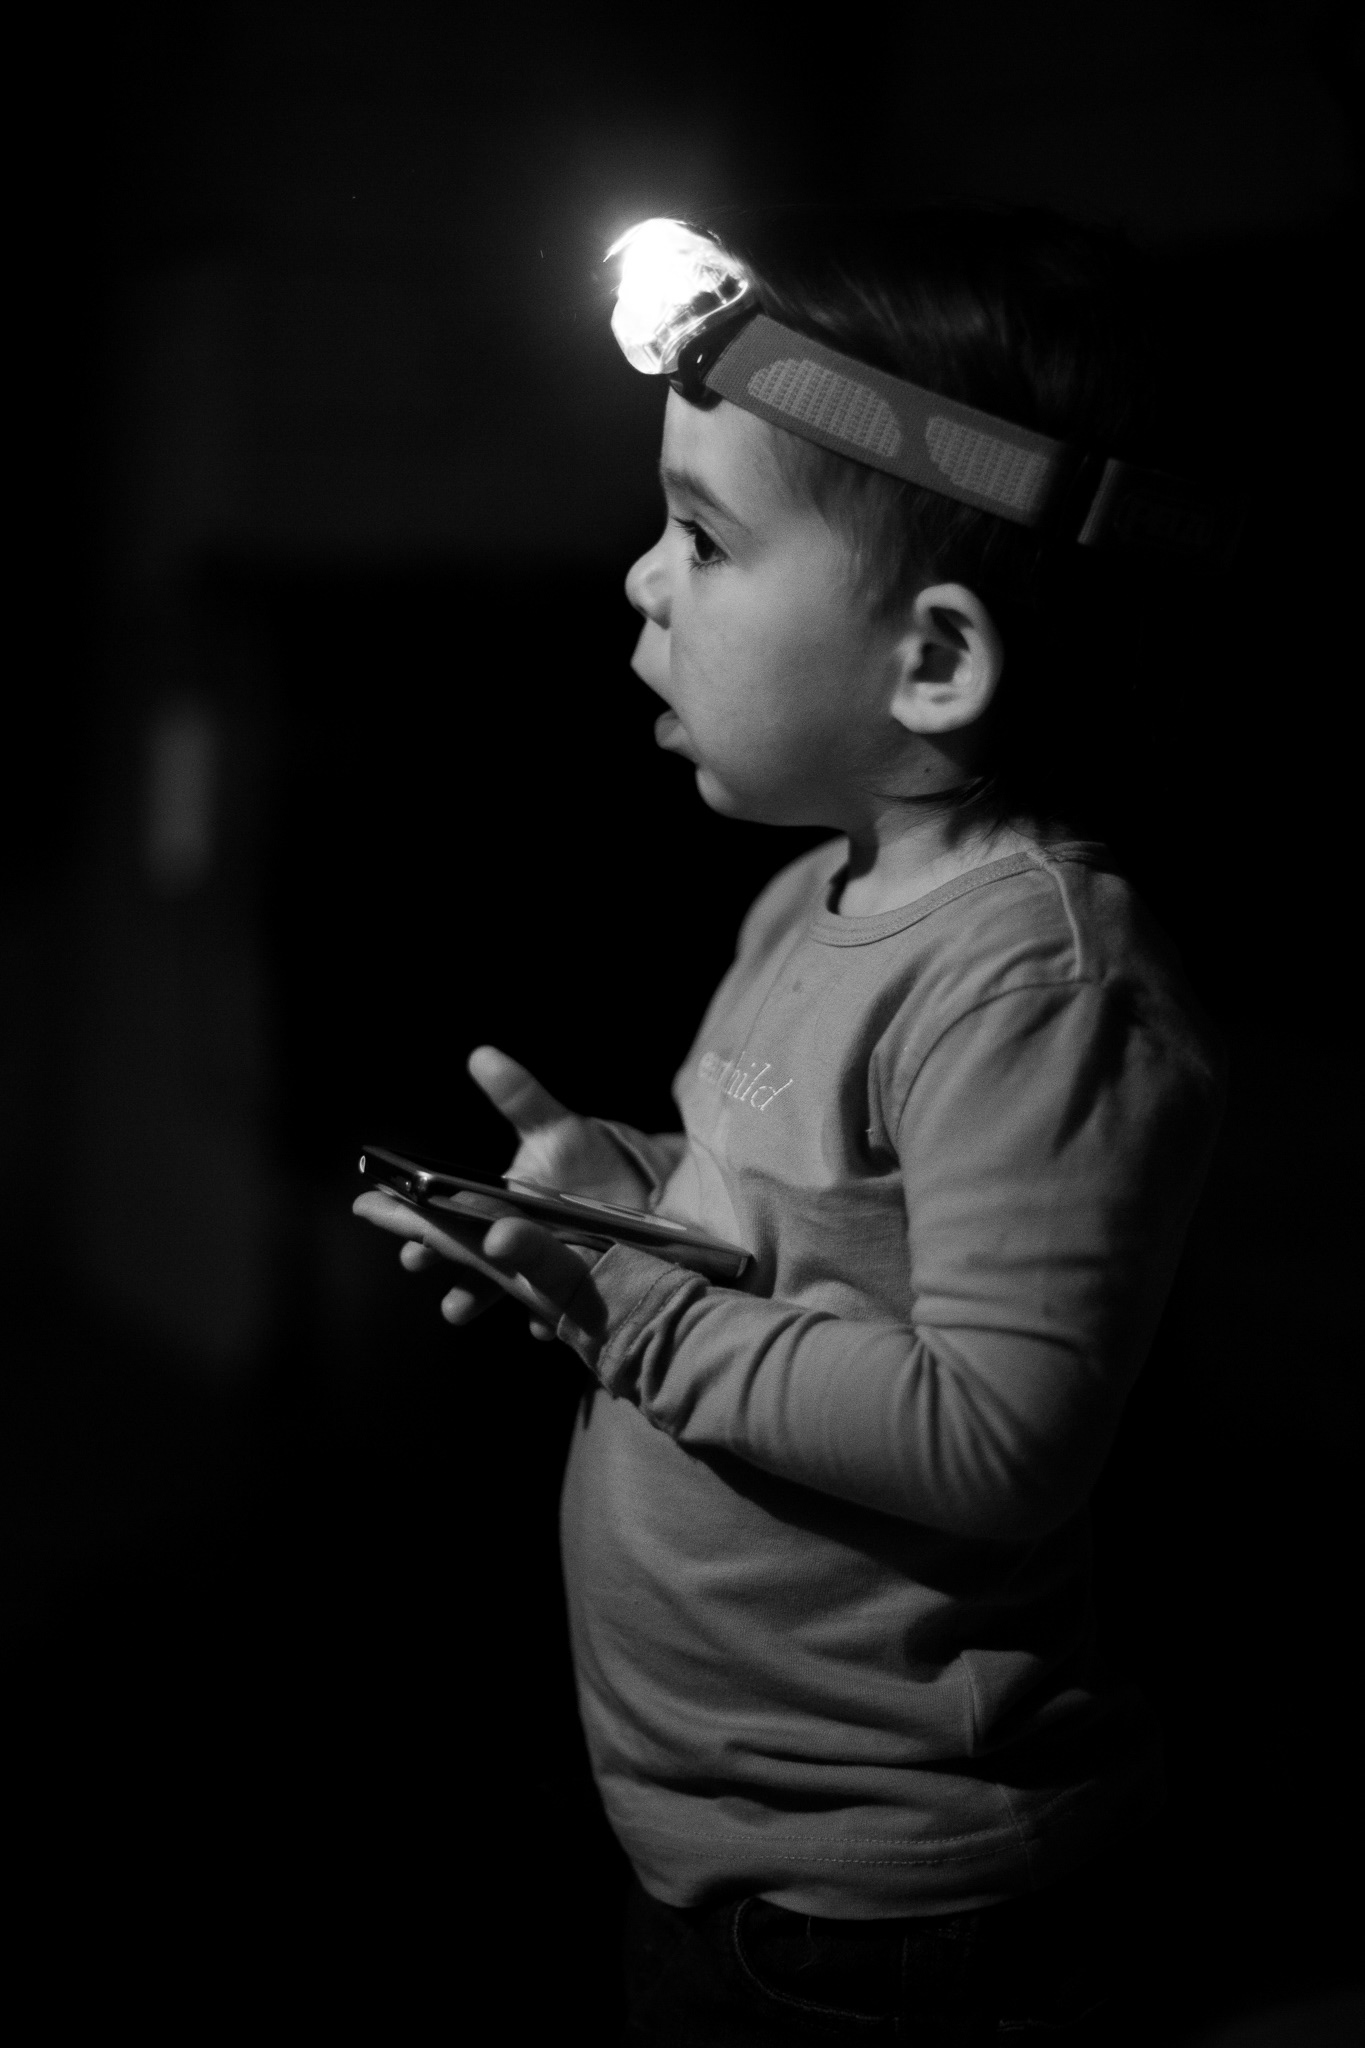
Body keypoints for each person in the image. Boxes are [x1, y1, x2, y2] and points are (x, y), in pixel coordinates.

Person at [355, 204, 1228, 2043]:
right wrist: (622, 1214)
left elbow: (994, 1436)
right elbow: (805, 1253)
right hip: (729, 1864)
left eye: (703, 536)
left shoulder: (1034, 978)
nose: (639, 581)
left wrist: (640, 1316)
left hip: (908, 1921)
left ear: (933, 661)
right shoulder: (803, 904)